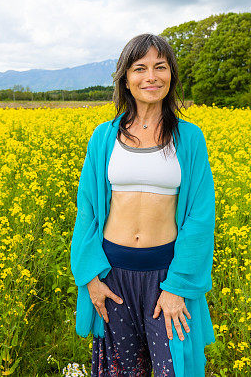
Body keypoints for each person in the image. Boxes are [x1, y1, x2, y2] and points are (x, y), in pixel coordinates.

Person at [70, 33, 217, 376]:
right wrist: (91, 276)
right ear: (126, 78)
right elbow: (88, 210)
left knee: (173, 368)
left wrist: (178, 286)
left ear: (171, 76)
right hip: (112, 275)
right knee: (119, 371)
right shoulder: (104, 136)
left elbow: (200, 216)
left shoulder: (190, 138)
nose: (151, 76)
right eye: (140, 68)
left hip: (166, 277)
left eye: (160, 67)